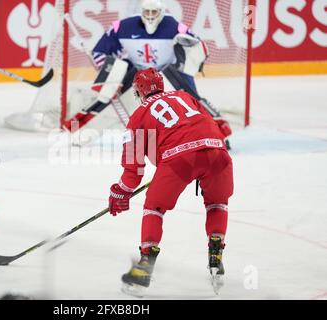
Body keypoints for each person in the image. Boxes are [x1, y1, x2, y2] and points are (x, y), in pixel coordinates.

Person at [108, 68, 233, 294]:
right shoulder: (186, 96)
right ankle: (216, 260)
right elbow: (207, 123)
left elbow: (133, 171)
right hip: (217, 151)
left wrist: (120, 192)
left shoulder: (137, 118)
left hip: (179, 161)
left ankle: (144, 269)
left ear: (138, 92)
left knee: (153, 208)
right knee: (216, 203)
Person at [63, 0, 231, 147]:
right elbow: (100, 53)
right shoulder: (122, 26)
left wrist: (186, 67)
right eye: (147, 11)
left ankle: (220, 133)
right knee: (106, 96)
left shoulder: (175, 26)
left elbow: (198, 48)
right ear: (141, 12)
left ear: (161, 12)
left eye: (154, 12)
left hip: (168, 71)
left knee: (192, 101)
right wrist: (110, 73)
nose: (150, 15)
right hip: (137, 73)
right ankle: (75, 130)